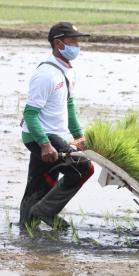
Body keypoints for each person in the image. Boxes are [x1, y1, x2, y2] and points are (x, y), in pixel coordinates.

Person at [19, 22, 94, 229]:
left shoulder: (68, 71)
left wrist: (78, 137)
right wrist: (44, 144)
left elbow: (68, 106)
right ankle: (45, 211)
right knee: (84, 169)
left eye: (78, 41)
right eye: (73, 41)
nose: (77, 45)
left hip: (51, 134)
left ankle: (27, 225)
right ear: (58, 44)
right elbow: (30, 114)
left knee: (41, 181)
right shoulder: (46, 74)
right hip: (41, 135)